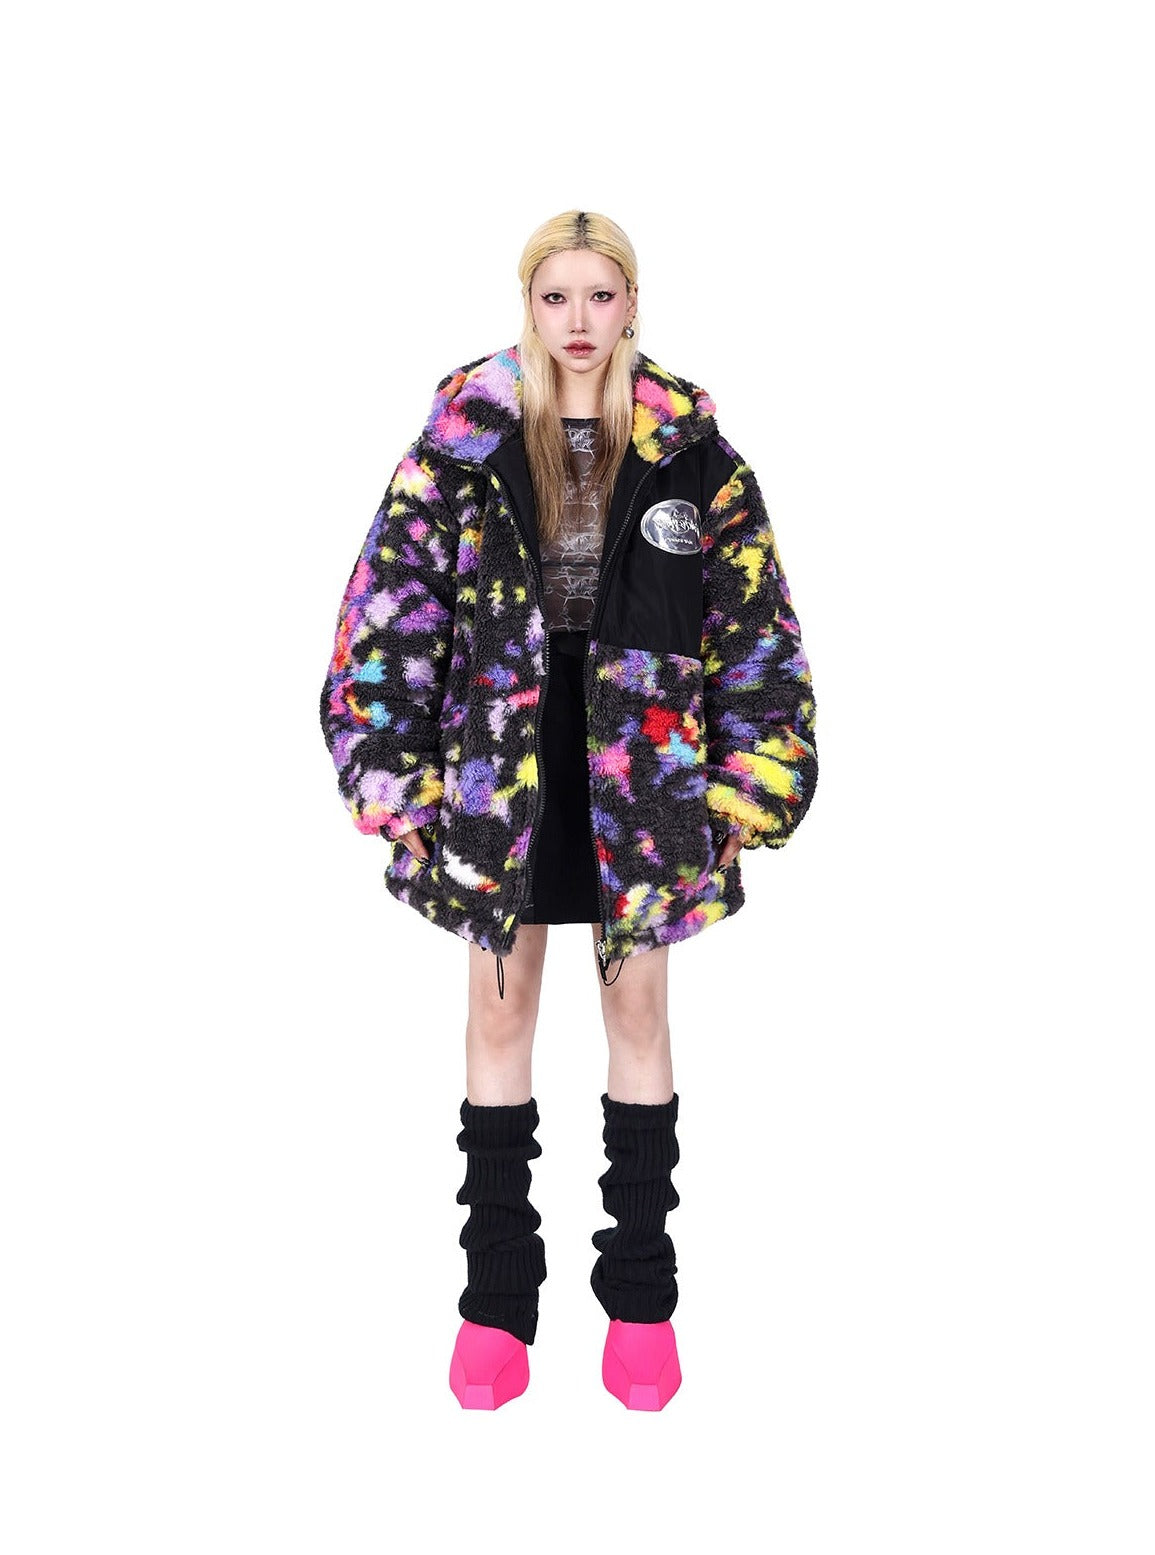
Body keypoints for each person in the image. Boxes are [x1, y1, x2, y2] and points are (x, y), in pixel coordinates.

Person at [319, 209, 819, 1410]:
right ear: (529, 306)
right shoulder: (459, 451)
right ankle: (497, 1298)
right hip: (500, 759)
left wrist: (749, 783)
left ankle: (641, 1297)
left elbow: (755, 633)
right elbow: (387, 619)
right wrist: (395, 779)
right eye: (558, 297)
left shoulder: (697, 460)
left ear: (632, 303)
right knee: (501, 1015)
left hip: (643, 768)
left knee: (637, 1010)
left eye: (601, 296)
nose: (580, 320)